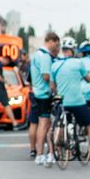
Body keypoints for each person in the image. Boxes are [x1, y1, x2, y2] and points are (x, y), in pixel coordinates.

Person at [27, 32, 61, 163]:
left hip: (36, 92)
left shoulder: (36, 54)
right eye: (56, 44)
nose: (56, 47)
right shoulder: (46, 56)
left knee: (37, 123)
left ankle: (37, 152)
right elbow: (46, 76)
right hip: (45, 94)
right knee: (45, 125)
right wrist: (56, 83)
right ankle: (44, 154)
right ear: (51, 41)